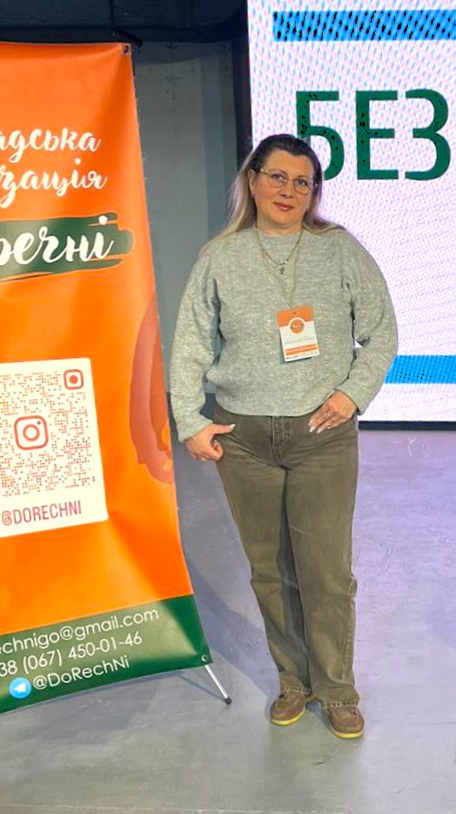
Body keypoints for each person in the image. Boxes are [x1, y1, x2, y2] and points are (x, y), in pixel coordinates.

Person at [169, 133, 397, 739]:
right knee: (270, 572)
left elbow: (382, 332)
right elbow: (191, 343)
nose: (288, 191)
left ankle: (337, 689)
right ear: (253, 181)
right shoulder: (219, 257)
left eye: (302, 182)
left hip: (322, 436)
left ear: (313, 192)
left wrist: (352, 394)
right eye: (277, 177)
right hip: (243, 441)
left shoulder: (339, 250)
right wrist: (190, 419)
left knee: (326, 572)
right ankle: (294, 681)